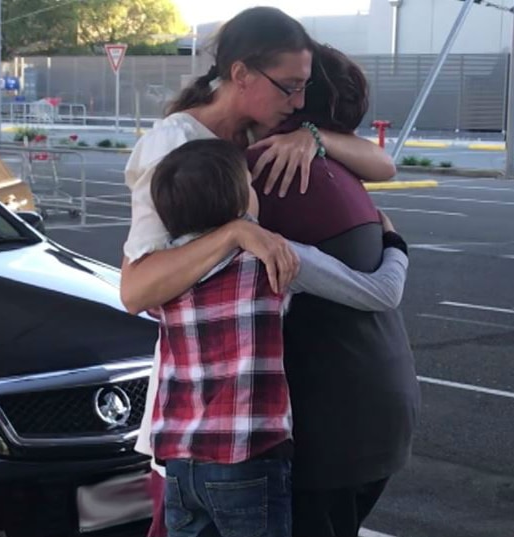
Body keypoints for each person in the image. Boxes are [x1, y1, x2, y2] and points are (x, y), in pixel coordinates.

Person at [119, 8, 395, 536]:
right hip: (205, 421)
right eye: (288, 88)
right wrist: (237, 234)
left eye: (303, 90)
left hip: (237, 418)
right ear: (242, 74)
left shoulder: (258, 132)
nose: (297, 102)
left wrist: (313, 137)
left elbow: (384, 165)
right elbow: (136, 288)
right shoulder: (174, 146)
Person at [147, 138, 409, 537]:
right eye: (251, 187)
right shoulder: (273, 258)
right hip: (246, 459)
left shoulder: (164, 269)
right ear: (240, 202)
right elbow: (380, 292)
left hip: (179, 461)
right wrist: (393, 243)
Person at [246, 43, 420, 537]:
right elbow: (384, 165)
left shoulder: (266, 169)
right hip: (380, 410)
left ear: (299, 99)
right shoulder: (339, 169)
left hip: (328, 425)